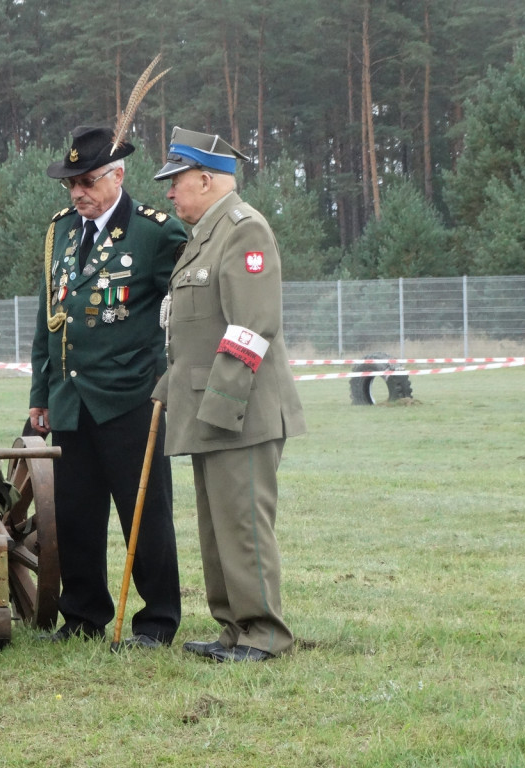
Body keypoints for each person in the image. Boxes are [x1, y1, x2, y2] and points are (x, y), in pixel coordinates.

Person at [151, 127, 307, 662]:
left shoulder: (244, 230)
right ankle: (233, 628)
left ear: (205, 178)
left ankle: (264, 634)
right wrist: (171, 387)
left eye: (176, 182)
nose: (169, 193)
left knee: (242, 524)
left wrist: (220, 406)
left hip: (239, 409)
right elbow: (192, 329)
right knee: (217, 525)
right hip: (208, 406)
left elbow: (252, 326)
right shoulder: (205, 235)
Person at [29, 125, 185, 648]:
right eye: (71, 184)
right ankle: (83, 616)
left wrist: (171, 374)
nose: (78, 194)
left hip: (130, 400)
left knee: (144, 516)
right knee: (75, 514)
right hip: (70, 402)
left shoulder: (155, 233)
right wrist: (40, 396)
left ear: (118, 175)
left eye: (88, 182)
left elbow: (186, 309)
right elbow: (47, 319)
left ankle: (158, 620)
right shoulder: (61, 232)